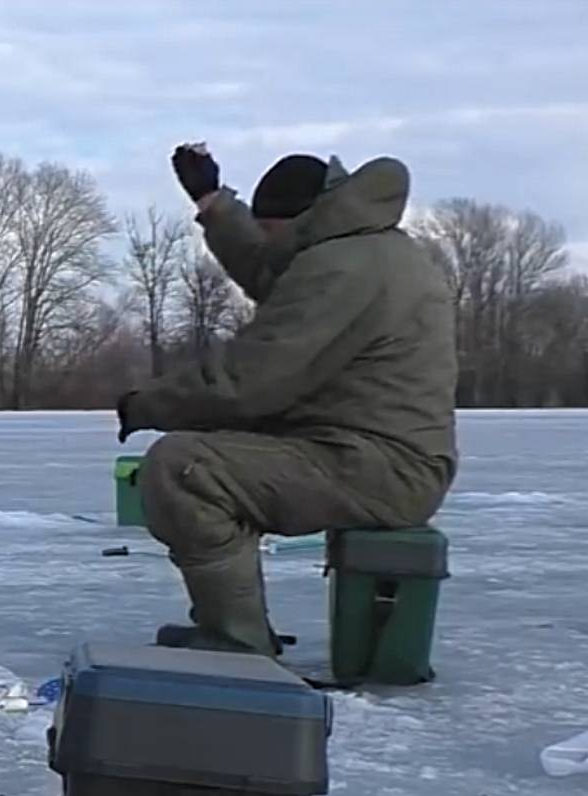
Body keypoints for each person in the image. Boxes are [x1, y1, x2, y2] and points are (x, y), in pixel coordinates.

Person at [115, 144, 458, 655]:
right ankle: (232, 625)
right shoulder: (360, 247)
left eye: (269, 229)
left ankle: (236, 638)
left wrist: (147, 405)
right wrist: (212, 201)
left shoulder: (344, 267)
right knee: (215, 450)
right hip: (369, 452)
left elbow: (251, 380)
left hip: (381, 467)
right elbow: (270, 267)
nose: (266, 244)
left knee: (185, 468)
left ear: (299, 222)